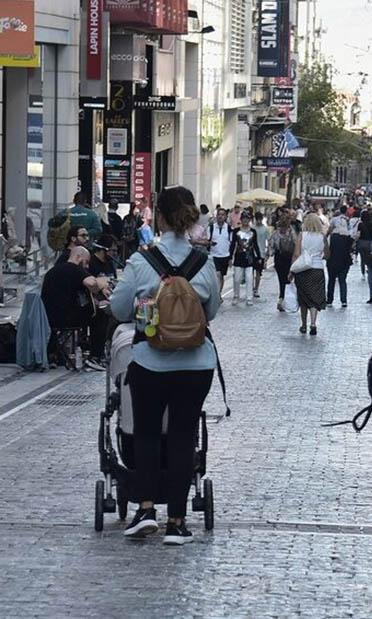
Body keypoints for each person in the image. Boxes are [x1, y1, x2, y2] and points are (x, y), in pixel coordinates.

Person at [111, 186, 220, 546]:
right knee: (182, 437)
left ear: (159, 217)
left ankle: (145, 510)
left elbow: (119, 309)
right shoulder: (203, 262)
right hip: (195, 363)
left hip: (150, 359)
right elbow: (212, 311)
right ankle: (177, 521)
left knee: (145, 433)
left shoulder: (142, 261)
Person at [41, 246, 111, 370]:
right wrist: (100, 287)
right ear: (78, 257)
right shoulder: (75, 269)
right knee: (100, 315)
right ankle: (96, 356)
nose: (87, 266)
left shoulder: (52, 271)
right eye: (86, 262)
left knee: (94, 311)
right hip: (67, 319)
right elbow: (91, 283)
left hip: (49, 318)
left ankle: (57, 353)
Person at [291, 212, 328, 335]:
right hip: (317, 269)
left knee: (303, 297)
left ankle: (303, 324)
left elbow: (296, 254)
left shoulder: (302, 235)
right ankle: (313, 323)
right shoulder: (322, 236)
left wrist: (291, 270)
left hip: (303, 269)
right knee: (315, 297)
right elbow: (327, 254)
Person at [229, 210, 261, 306]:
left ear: (249, 220)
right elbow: (233, 245)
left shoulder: (253, 232)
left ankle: (249, 297)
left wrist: (259, 256)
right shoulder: (236, 231)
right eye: (244, 218)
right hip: (238, 258)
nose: (245, 220)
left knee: (249, 278)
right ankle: (236, 296)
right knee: (237, 278)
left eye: (247, 219)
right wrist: (230, 257)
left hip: (249, 258)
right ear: (241, 219)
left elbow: (255, 245)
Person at [268, 208, 298, 311]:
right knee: (286, 279)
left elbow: (271, 245)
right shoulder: (290, 232)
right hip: (286, 258)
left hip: (282, 258)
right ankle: (285, 299)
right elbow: (296, 244)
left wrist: (269, 255)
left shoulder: (277, 232)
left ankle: (282, 299)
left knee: (283, 280)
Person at [327, 206, 354, 307]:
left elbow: (327, 249)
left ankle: (329, 300)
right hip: (344, 261)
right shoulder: (347, 237)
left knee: (331, 280)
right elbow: (351, 248)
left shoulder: (332, 238)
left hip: (332, 261)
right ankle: (344, 300)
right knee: (342, 281)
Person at [208, 208, 232, 293]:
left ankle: (219, 293)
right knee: (217, 275)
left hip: (225, 255)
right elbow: (207, 240)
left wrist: (230, 258)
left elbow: (231, 243)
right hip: (214, 255)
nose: (220, 216)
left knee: (221, 276)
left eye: (222, 215)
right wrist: (210, 243)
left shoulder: (229, 228)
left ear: (225, 216)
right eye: (219, 214)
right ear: (216, 216)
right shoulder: (211, 227)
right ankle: (216, 294)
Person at [251, 211, 270, 298]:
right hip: (252, 253)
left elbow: (268, 240)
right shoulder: (252, 228)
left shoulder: (265, 229)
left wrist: (267, 252)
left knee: (258, 272)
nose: (258, 221)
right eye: (257, 219)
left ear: (262, 219)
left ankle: (256, 289)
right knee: (250, 272)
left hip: (261, 253)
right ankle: (251, 287)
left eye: (260, 219)